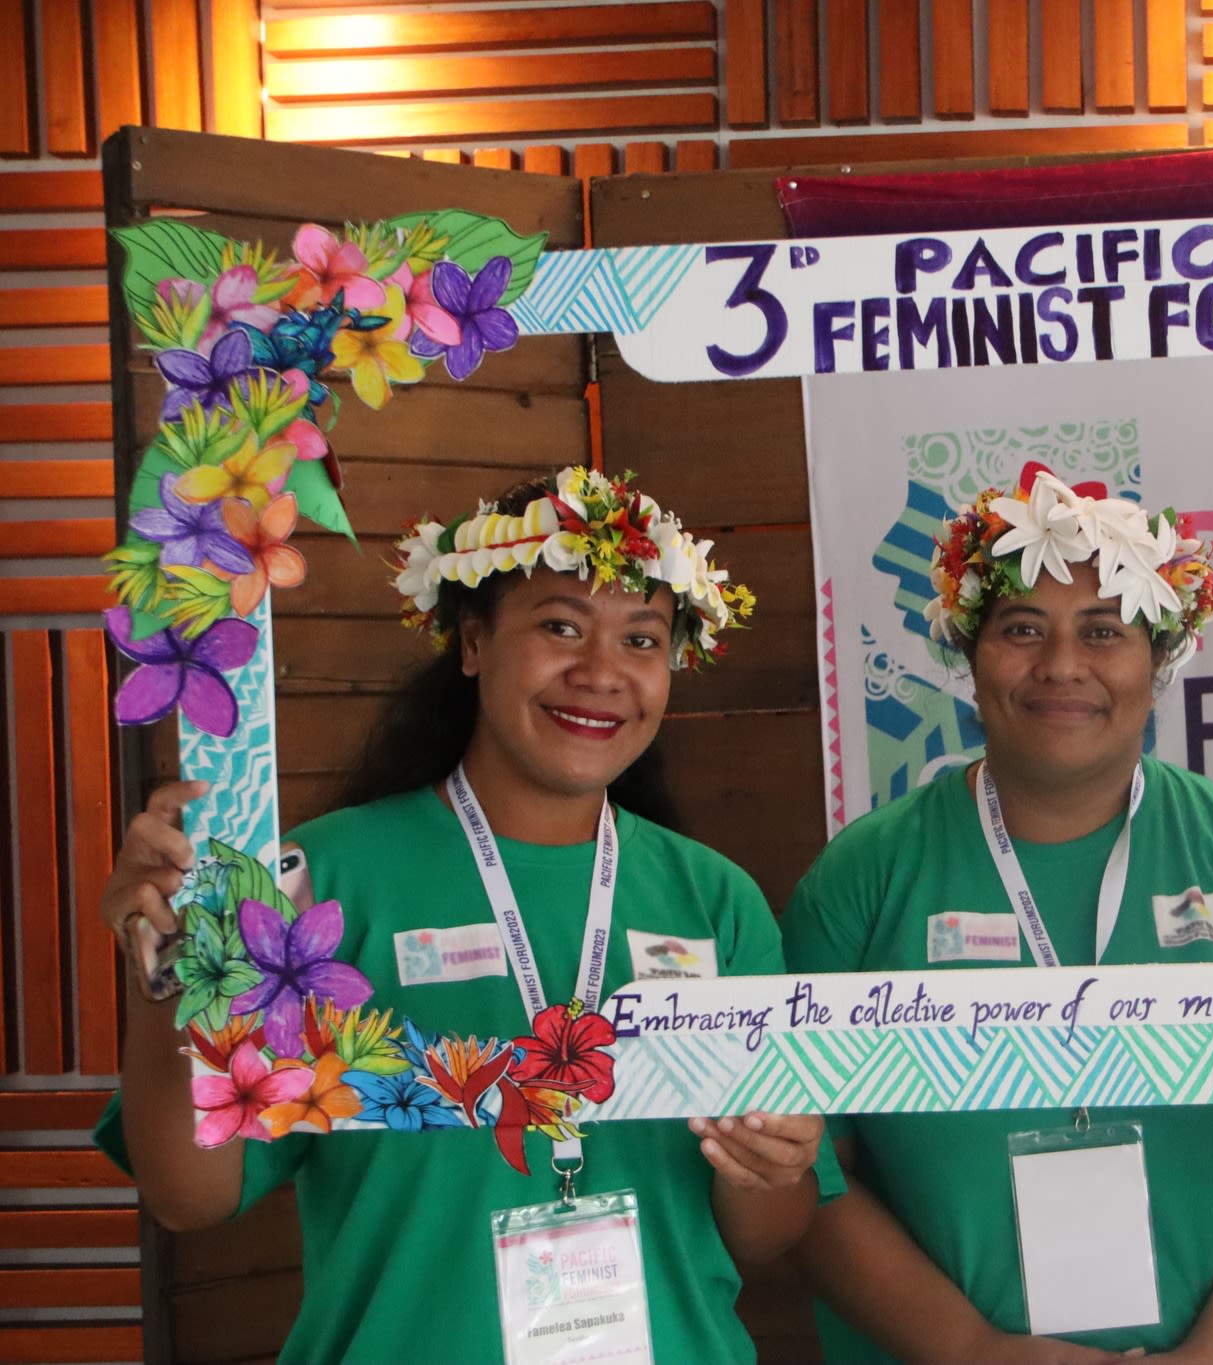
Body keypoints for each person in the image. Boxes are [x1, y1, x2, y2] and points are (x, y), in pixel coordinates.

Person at [96, 467, 838, 1364]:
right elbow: (191, 1192)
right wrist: (162, 975)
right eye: (560, 625)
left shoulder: (715, 899)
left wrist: (778, 1164)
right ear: (474, 640)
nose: (601, 672)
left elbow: (767, 1233)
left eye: (642, 639)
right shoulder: (311, 880)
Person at [783, 463, 1213, 1365]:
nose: (1062, 664)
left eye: (1104, 630)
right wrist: (973, 1349)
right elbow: (806, 1172)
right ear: (970, 656)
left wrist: (1210, 1359)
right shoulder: (863, 878)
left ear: (1159, 659)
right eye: (1023, 628)